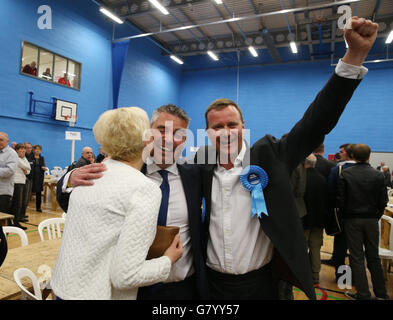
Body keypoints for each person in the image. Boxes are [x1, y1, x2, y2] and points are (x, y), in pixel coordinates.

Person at [194, 17, 378, 300]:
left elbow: (316, 122)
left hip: (263, 285)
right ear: (207, 132)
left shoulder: (271, 155)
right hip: (212, 285)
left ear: (243, 126)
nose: (226, 131)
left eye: (232, 124)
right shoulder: (201, 167)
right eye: (217, 127)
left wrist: (354, 57)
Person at [57, 104, 209, 300]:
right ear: (148, 134)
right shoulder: (116, 172)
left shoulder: (195, 175)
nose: (169, 139)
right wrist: (68, 179)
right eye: (162, 130)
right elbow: (73, 204)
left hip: (182, 285)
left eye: (178, 133)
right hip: (134, 290)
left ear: (185, 140)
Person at [337, 144, 389, 300]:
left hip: (352, 220)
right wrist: (376, 216)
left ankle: (363, 294)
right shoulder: (378, 175)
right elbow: (383, 201)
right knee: (373, 256)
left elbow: (341, 201)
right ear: (369, 156)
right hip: (372, 220)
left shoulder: (345, 174)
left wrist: (346, 217)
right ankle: (381, 293)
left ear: (352, 156)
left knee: (357, 257)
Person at [323, 143, 356, 280]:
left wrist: (332, 210)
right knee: (356, 249)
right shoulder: (373, 171)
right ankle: (356, 278)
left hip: (342, 214)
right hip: (363, 216)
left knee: (341, 245)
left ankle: (342, 277)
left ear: (350, 154)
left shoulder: (338, 170)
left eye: (342, 152)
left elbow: (330, 193)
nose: (339, 154)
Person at [302, 154, 329, 285]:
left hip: (304, 220)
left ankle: (301, 275)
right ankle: (315, 276)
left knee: (302, 248)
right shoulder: (322, 179)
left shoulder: (302, 179)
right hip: (318, 221)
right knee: (316, 248)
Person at [0, 132, 18, 265]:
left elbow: (10, 170)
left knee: (2, 222)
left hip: (4, 191)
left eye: (1, 140)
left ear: (7, 141)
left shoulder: (11, 153)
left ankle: (3, 246)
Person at [9, 144, 30, 230]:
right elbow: (27, 167)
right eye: (21, 150)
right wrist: (25, 169)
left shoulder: (24, 158)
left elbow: (28, 171)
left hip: (22, 182)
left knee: (20, 203)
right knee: (16, 203)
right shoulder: (16, 158)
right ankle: (14, 222)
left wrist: (25, 169)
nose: (23, 151)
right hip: (16, 182)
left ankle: (16, 221)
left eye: (24, 150)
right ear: (17, 150)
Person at [31, 145, 47, 212]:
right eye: (36, 149)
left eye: (39, 149)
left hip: (39, 177)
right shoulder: (31, 157)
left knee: (38, 193)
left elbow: (43, 165)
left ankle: (38, 207)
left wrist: (44, 168)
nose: (37, 150)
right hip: (32, 177)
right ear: (34, 150)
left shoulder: (41, 158)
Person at [20, 142, 34, 221]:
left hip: (30, 179)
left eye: (30, 148)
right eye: (27, 148)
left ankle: (23, 214)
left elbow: (30, 169)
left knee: (26, 198)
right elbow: (26, 168)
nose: (29, 149)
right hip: (23, 179)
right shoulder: (23, 157)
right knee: (22, 198)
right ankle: (20, 215)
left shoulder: (32, 156)